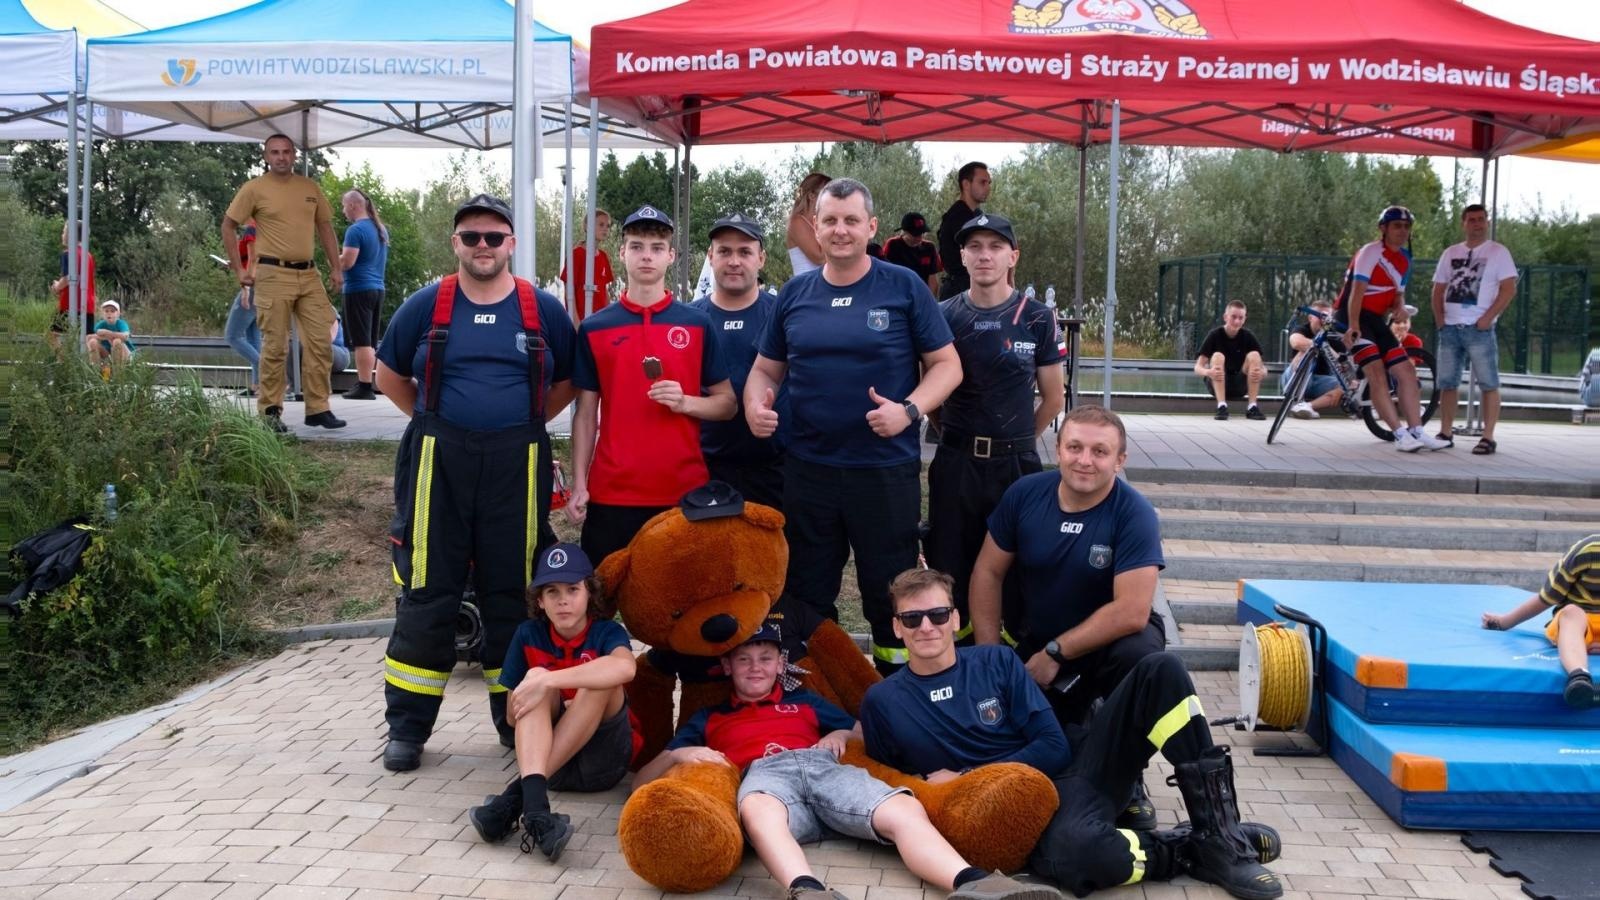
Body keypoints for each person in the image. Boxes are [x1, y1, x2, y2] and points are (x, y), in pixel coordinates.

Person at [860, 569, 1284, 900]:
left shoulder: (996, 662)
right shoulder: (882, 702)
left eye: (937, 614)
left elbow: (1052, 745)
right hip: (1023, 821)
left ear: (955, 618)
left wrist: (970, 775)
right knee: (1079, 857)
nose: (926, 627)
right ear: (897, 627)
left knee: (1160, 669)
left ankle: (1222, 836)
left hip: (1072, 775)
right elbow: (891, 785)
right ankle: (1187, 850)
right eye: (912, 618)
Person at [375, 194, 579, 772]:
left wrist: (520, 424)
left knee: (511, 593)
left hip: (518, 459)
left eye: (494, 237)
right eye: (471, 237)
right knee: (427, 590)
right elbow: (388, 374)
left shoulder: (542, 308)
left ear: (511, 243)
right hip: (439, 457)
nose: (482, 246)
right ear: (455, 244)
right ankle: (407, 729)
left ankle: (515, 723)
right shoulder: (426, 305)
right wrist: (436, 419)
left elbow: (565, 382)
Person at [633, 623, 1054, 900]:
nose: (756, 668)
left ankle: (972, 883)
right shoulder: (711, 717)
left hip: (823, 768)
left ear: (781, 663)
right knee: (757, 807)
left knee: (903, 804)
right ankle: (808, 890)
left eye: (765, 658)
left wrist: (840, 732)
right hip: (765, 778)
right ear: (727, 665)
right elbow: (642, 782)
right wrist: (681, 752)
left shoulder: (805, 703)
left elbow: (862, 730)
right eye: (744, 659)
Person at [746, 178, 962, 675]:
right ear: (815, 229)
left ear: (871, 227)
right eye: (830, 221)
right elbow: (764, 370)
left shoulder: (903, 286)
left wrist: (907, 410)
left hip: (884, 474)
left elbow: (948, 365)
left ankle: (898, 695)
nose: (840, 230)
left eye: (850, 221)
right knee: (808, 591)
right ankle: (821, 694)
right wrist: (756, 406)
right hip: (808, 471)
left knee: (891, 593)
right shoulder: (796, 292)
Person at [970, 405, 1165, 728]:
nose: (1085, 460)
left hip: (1107, 645)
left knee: (1141, 657)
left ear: (1120, 461)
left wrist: (1056, 653)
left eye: (1100, 451)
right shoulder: (1024, 495)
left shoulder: (1134, 513)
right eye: (1075, 447)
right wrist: (991, 658)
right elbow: (987, 573)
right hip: (1042, 640)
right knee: (1043, 741)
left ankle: (1129, 763)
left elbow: (1132, 611)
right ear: (1058, 450)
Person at [567, 205, 736, 569]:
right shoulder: (596, 327)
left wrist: (686, 402)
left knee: (681, 608)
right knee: (599, 600)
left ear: (671, 256)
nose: (647, 255)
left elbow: (727, 404)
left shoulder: (697, 323)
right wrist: (580, 482)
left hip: (683, 492)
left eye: (657, 247)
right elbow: (584, 413)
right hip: (612, 493)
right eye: (637, 246)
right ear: (622, 253)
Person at [926, 214, 1064, 644]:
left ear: (1012, 256)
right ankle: (959, 659)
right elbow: (931, 392)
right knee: (950, 564)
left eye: (994, 246)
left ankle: (1017, 663)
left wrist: (1019, 440)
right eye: (975, 247)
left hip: (1017, 467)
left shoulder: (1038, 317)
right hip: (956, 462)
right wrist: (956, 434)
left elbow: (1054, 398)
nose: (984, 255)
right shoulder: (942, 315)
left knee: (1021, 566)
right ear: (962, 257)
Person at [468, 543, 637, 862]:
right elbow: (513, 717)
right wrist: (542, 686)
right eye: (551, 591)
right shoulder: (528, 634)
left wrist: (551, 679)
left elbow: (626, 668)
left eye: (572, 589)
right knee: (534, 679)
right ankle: (536, 813)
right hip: (550, 768)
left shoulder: (606, 631)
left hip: (603, 763)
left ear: (589, 592)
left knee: (597, 679)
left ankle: (513, 801)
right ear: (540, 601)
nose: (563, 600)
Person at [222, 134, 346, 432]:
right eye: (275, 152)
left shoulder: (309, 187)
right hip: (272, 273)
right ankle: (269, 411)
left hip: (309, 274)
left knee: (320, 341)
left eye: (287, 152)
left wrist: (336, 267)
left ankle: (318, 408)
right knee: (275, 346)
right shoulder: (254, 188)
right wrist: (240, 270)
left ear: (294, 155)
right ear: (266, 156)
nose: (281, 157)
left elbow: (325, 227)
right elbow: (228, 225)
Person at [689, 213, 788, 510]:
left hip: (774, 467)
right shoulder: (687, 319)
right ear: (710, 257)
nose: (734, 261)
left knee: (774, 555)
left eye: (744, 252)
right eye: (724, 251)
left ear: (761, 258)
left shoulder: (784, 315)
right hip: (705, 467)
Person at [1333, 206, 1450, 453]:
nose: (1403, 231)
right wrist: (1353, 325)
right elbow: (1356, 292)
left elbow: (1398, 294)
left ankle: (1416, 431)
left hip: (1375, 319)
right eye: (1397, 225)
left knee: (1406, 370)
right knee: (1376, 372)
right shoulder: (1370, 252)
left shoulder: (1405, 259)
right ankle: (1399, 434)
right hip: (1352, 314)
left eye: (1407, 227)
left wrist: (1399, 308)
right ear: (1383, 228)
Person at [1431, 204, 1517, 455]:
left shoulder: (1498, 252)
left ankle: (1487, 436)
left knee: (1488, 382)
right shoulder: (1450, 253)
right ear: (1463, 223)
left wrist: (1488, 318)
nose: (1477, 224)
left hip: (1479, 328)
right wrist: (1440, 320)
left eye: (1481, 219)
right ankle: (1446, 432)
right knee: (1447, 382)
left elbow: (1509, 289)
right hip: (1450, 327)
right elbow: (1438, 288)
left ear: (1487, 222)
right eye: (1471, 220)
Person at [1482, 534, 1600, 710]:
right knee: (1571, 612)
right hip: (1578, 622)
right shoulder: (1586, 551)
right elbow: (1547, 598)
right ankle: (1579, 678)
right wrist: (1504, 622)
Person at [338, 189, 389, 400]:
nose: (343, 211)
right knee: (369, 340)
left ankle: (365, 386)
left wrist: (334, 260)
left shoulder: (355, 230)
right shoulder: (380, 229)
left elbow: (348, 262)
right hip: (377, 289)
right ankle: (367, 383)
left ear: (352, 205)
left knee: (361, 341)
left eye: (343, 206)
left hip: (358, 289)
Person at [1194, 300, 1266, 421]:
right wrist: (1208, 372)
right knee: (1217, 356)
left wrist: (1262, 373)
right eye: (1233, 317)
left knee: (1254, 355)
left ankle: (1252, 407)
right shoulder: (1214, 335)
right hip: (1217, 381)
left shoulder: (1248, 336)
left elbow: (1263, 368)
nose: (1237, 321)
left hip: (1240, 385)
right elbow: (1197, 367)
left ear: (1245, 319)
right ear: (1225, 317)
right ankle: (1221, 406)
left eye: (1240, 318)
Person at [937, 162, 991, 300]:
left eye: (989, 183)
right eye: (982, 182)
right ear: (966, 184)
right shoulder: (957, 216)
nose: (988, 187)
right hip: (959, 291)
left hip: (972, 287)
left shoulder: (977, 215)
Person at [1284, 300, 1345, 420]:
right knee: (1307, 352)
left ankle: (1307, 406)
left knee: (1347, 386)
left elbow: (1342, 363)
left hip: (1320, 382)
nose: (1324, 321)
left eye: (1327, 318)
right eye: (1320, 316)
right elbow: (1296, 342)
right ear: (1310, 317)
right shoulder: (1302, 329)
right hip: (1294, 378)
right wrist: (1320, 346)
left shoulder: (1333, 336)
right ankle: (1296, 399)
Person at [223, 223, 262, 397]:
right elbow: (252, 259)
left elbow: (254, 259)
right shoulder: (267, 228)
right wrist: (237, 265)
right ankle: (257, 386)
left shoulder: (252, 229)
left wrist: (246, 288)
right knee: (253, 337)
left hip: (253, 286)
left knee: (232, 336)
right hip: (263, 285)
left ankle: (268, 371)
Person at [48, 223, 95, 350]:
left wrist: (57, 287)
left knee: (52, 335)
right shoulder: (88, 255)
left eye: (64, 231)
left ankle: (62, 362)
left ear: (70, 235)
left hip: (70, 304)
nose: (62, 235)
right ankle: (91, 366)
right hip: (87, 304)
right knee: (86, 339)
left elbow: (69, 277)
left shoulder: (68, 254)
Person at [562, 209, 615, 323]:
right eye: (601, 224)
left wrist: (610, 316)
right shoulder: (576, 254)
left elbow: (604, 290)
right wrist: (576, 322)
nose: (605, 228)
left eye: (608, 226)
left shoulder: (604, 256)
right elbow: (568, 290)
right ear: (587, 226)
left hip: (601, 321)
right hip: (582, 320)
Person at [882, 212, 941, 297]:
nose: (919, 238)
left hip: (921, 296)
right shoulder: (893, 245)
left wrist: (929, 300)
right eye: (915, 234)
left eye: (922, 233)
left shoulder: (929, 248)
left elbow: (932, 280)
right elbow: (885, 275)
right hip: (897, 295)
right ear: (905, 232)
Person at [785, 173, 830, 277]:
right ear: (812, 196)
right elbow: (820, 258)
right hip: (806, 287)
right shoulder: (796, 222)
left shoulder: (817, 222)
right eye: (827, 193)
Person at [86, 299, 134, 370]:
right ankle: (95, 372)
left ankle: (118, 374)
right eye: (106, 311)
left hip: (126, 355)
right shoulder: (100, 324)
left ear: (118, 314)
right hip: (108, 354)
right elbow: (89, 337)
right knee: (93, 342)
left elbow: (125, 336)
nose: (109, 313)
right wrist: (105, 337)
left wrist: (107, 333)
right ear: (103, 314)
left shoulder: (121, 323)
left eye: (112, 311)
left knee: (117, 341)